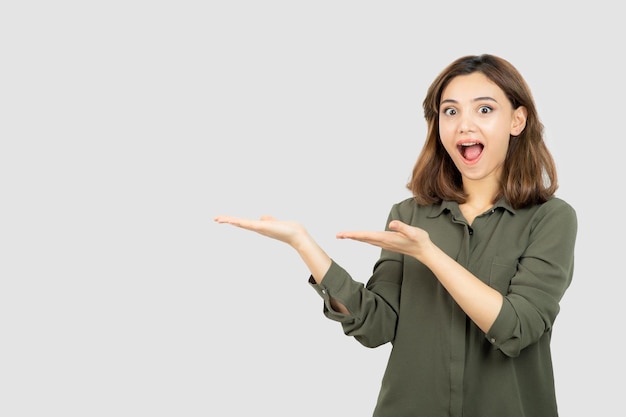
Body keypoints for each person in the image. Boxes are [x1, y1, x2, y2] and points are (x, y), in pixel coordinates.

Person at [214, 54, 577, 417]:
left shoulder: (550, 219)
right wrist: (303, 244)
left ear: (517, 119)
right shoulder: (409, 214)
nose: (464, 125)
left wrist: (430, 254)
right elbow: (376, 326)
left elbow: (516, 328)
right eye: (450, 112)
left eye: (484, 110)